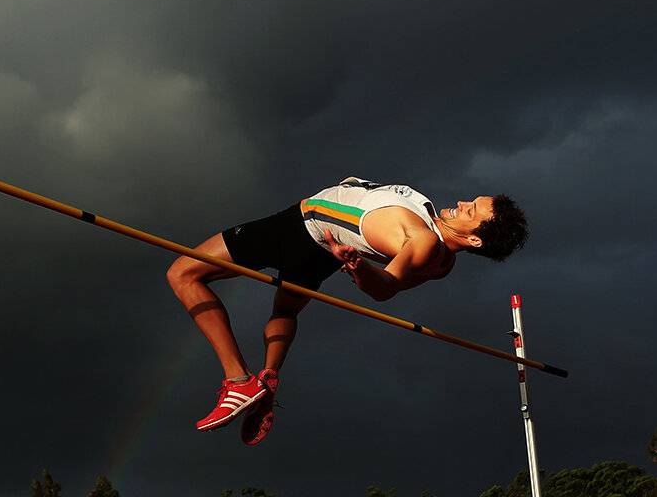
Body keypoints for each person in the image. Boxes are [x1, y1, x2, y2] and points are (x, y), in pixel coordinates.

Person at [165, 177, 528, 446]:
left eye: (473, 210)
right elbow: (395, 283)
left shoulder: (423, 242)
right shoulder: (442, 260)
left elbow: (387, 287)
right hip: (321, 249)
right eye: (472, 200)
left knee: (183, 273)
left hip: (295, 230)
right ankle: (268, 377)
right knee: (286, 311)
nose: (463, 202)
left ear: (476, 239)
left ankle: (238, 379)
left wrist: (358, 267)